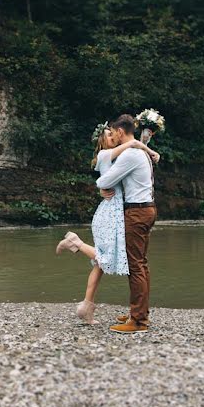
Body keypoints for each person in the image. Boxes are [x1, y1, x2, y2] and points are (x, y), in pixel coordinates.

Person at [56, 121, 159, 325]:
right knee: (109, 260)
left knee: (105, 263)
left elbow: (128, 154)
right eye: (109, 136)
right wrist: (145, 147)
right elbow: (127, 150)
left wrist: (145, 147)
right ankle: (76, 244)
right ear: (103, 141)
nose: (113, 138)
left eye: (114, 135)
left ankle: (88, 306)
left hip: (121, 213)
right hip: (112, 214)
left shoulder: (121, 157)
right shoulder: (107, 155)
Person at [96, 114, 157, 334]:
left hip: (137, 211)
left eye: (113, 133)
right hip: (145, 209)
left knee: (135, 266)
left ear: (120, 132)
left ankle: (138, 320)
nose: (112, 136)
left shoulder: (130, 154)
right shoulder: (139, 152)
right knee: (141, 263)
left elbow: (104, 181)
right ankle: (139, 313)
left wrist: (103, 186)